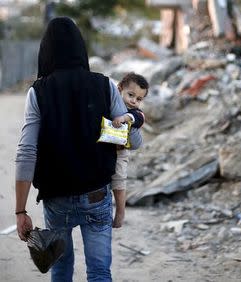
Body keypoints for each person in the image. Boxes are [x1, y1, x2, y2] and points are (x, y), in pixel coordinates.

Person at [15, 17, 142, 281]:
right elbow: (132, 142)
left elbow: (27, 152)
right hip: (96, 195)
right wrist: (133, 119)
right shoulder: (104, 85)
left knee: (61, 270)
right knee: (99, 272)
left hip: (56, 199)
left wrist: (20, 210)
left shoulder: (37, 92)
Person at [110, 72, 148, 228]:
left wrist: (124, 118)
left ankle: (120, 212)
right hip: (107, 148)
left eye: (139, 99)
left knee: (118, 179)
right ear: (119, 89)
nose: (134, 101)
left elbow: (138, 118)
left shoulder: (135, 113)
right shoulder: (111, 103)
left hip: (120, 151)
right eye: (130, 95)